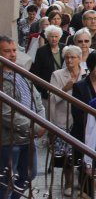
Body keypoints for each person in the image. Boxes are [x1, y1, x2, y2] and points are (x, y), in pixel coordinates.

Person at [0, 36, 46, 199]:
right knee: (5, 180)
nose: (12, 54)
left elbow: (37, 99)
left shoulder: (21, 71)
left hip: (28, 138)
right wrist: (34, 127)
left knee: (29, 175)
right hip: (9, 140)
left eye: (14, 50)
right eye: (7, 51)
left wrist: (41, 121)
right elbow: (5, 113)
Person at [48, 45, 86, 194]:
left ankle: (84, 184)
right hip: (64, 120)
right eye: (67, 57)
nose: (70, 60)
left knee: (83, 155)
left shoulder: (86, 74)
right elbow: (51, 98)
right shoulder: (57, 75)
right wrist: (65, 89)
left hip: (82, 120)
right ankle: (68, 183)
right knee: (67, 156)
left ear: (79, 59)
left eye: (73, 57)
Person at [30, 24, 65, 99]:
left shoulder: (64, 48)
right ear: (47, 37)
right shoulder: (41, 51)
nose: (54, 39)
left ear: (60, 37)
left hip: (62, 85)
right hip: (47, 87)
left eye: (56, 36)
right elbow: (36, 70)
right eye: (51, 36)